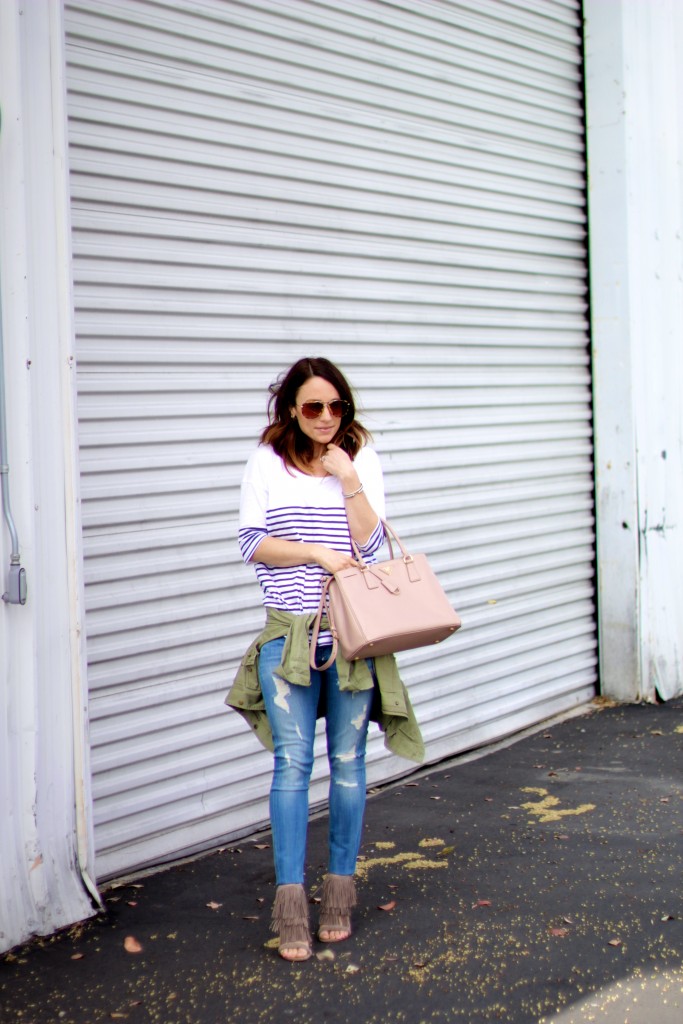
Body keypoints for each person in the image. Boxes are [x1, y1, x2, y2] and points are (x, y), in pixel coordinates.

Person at [226, 356, 424, 962]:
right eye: (313, 407)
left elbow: (368, 543)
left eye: (336, 406)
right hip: (288, 638)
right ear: (292, 408)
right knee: (291, 765)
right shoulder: (267, 461)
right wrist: (317, 554)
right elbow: (252, 543)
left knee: (347, 762)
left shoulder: (357, 457)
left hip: (351, 639)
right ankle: (290, 909)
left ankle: (339, 895)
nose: (326, 418)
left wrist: (349, 478)